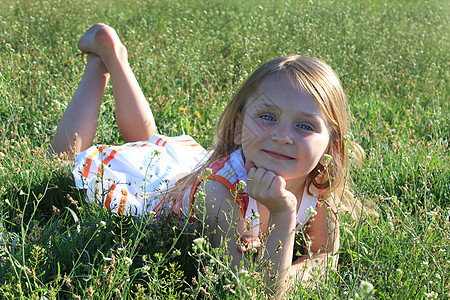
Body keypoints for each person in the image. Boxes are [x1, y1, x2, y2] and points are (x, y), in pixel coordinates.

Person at [50, 23, 363, 297]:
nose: (283, 136)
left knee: (149, 145)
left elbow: (324, 261)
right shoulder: (220, 193)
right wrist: (284, 216)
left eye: (305, 126)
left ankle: (115, 56)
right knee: (66, 161)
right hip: (160, 197)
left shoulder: (320, 183)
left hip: (185, 172)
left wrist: (293, 272)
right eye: (268, 117)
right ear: (239, 128)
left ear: (330, 146)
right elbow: (251, 290)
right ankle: (99, 66)